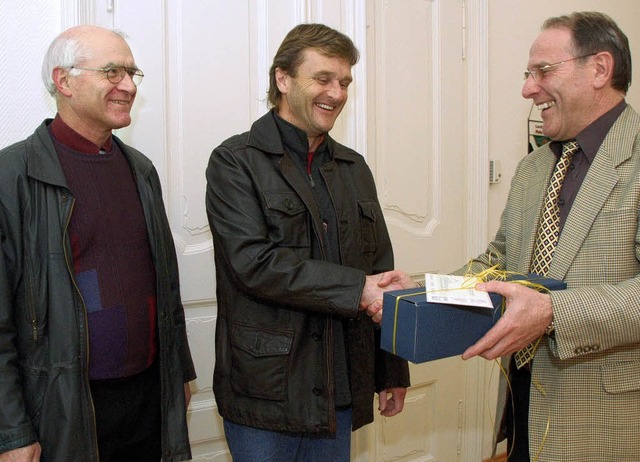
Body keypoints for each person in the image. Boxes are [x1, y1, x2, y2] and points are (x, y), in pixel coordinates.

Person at [376, 10, 640, 462]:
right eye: (526, 73)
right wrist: (423, 290)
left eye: (543, 71)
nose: (527, 88)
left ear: (599, 69)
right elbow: (498, 259)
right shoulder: (535, 167)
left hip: (603, 419)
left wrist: (553, 311)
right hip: (522, 408)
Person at [205, 23, 410, 461]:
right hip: (265, 394)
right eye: (323, 79)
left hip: (337, 387)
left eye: (345, 82)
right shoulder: (234, 162)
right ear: (283, 79)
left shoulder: (354, 168)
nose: (336, 93)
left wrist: (391, 368)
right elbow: (254, 263)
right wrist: (358, 290)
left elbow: (382, 272)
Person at [0, 25, 196, 461]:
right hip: (64, 408)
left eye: (131, 72)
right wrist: (11, 432)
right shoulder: (11, 176)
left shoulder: (140, 169)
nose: (127, 85)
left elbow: (165, 285)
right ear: (64, 81)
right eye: (112, 71)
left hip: (147, 399)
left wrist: (178, 371)